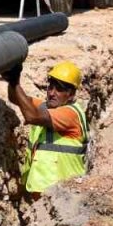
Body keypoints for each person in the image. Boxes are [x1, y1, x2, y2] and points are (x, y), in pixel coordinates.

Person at [5, 61, 88, 195]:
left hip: (62, 195)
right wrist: (13, 79)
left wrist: (15, 83)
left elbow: (32, 117)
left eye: (59, 89)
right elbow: (15, 98)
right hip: (43, 193)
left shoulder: (70, 114)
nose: (52, 93)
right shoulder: (48, 107)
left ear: (71, 94)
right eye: (51, 87)